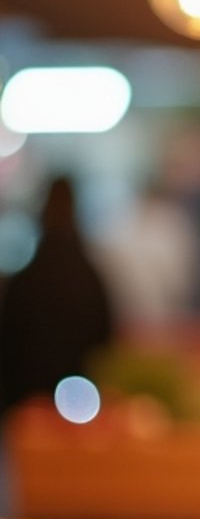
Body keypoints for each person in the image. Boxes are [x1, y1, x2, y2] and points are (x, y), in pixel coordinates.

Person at [0, 175, 114, 413]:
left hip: (27, 398)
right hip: (79, 398)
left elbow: (8, 336)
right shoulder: (88, 273)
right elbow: (105, 335)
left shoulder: (27, 276)